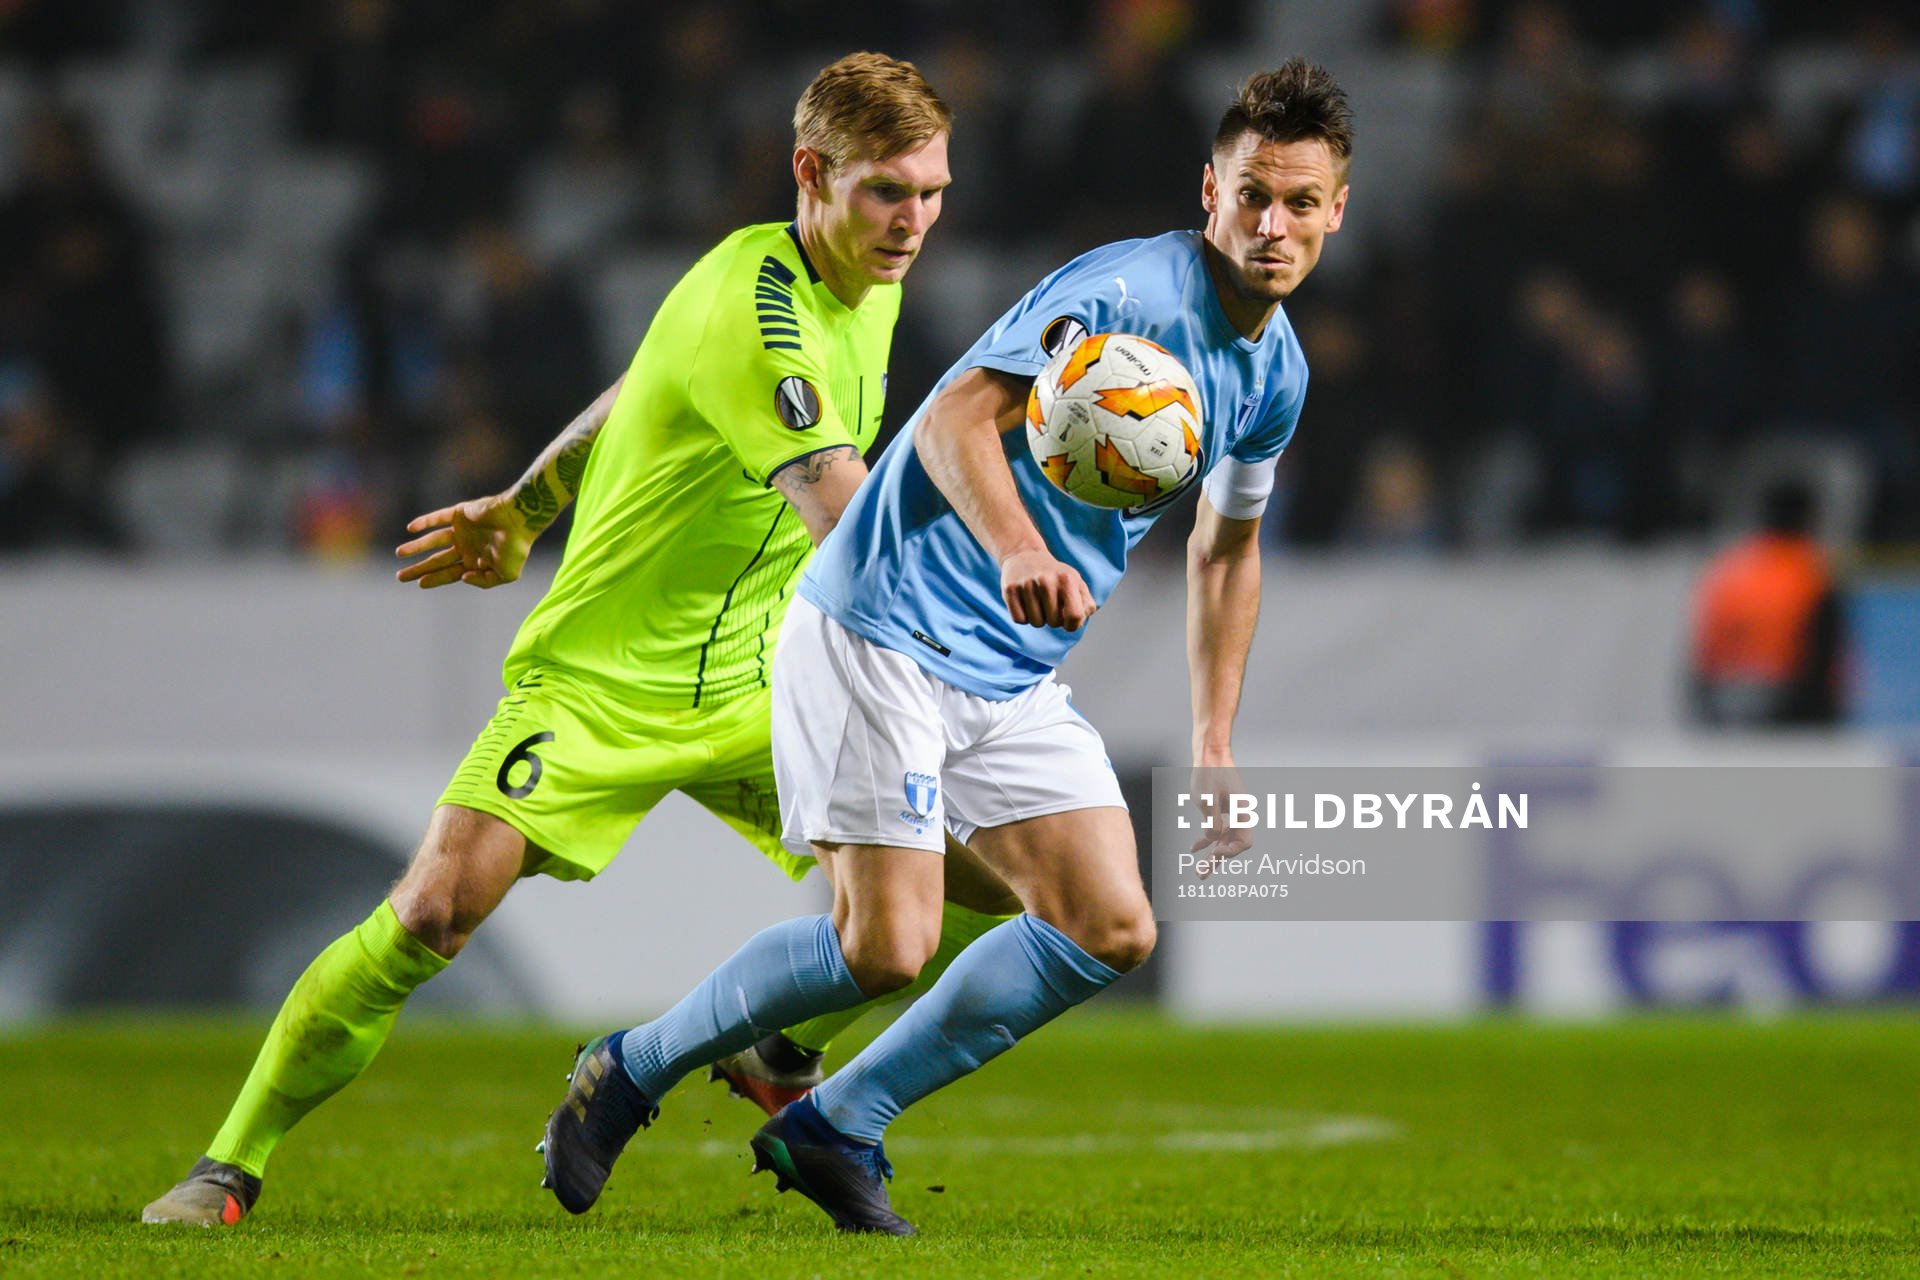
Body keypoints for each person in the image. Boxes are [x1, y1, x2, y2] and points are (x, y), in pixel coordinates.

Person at [140, 51, 1018, 1228]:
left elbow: (642, 380)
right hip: (603, 680)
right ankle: (227, 1164)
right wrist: (1012, 578)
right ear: (810, 174)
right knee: (433, 911)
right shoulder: (756, 307)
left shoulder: (864, 281)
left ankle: (783, 1052)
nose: (915, 222)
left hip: (760, 671)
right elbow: (851, 527)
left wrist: (524, 503)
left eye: (932, 193)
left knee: (993, 878)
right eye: (886, 193)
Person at [543, 58, 1351, 1235]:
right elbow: (965, 411)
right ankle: (630, 1064)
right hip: (884, 618)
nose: (1273, 225)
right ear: (1209, 190)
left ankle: (835, 1121)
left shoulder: (1274, 372)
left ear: (1338, 211)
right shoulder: (1129, 292)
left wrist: (1216, 737)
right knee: (888, 944)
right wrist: (1022, 546)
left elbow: (1226, 554)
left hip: (1009, 669)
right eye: (1253, 196)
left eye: (1301, 203)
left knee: (1111, 924)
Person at [1689, 478, 1843, 726]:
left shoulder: (1728, 569)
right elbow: (1823, 656)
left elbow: (1704, 651)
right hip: (1790, 707)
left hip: (1723, 701)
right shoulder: (1809, 574)